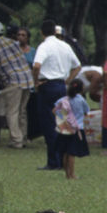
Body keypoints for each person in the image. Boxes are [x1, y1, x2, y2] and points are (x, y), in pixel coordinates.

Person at [31, 19, 80, 171]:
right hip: (61, 86)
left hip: (47, 86)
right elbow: (77, 66)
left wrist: (35, 81)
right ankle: (63, 160)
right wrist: (67, 81)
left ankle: (54, 161)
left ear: (41, 32)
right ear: (55, 31)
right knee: (62, 124)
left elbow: (37, 65)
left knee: (48, 125)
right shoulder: (65, 46)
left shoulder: (44, 46)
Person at [0, 22, 31, 149]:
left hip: (13, 81)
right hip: (27, 79)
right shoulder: (13, 43)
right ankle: (23, 138)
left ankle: (16, 141)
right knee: (22, 111)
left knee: (11, 112)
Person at [59, 78, 89, 179]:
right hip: (77, 128)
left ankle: (67, 174)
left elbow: (56, 109)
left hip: (65, 127)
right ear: (81, 89)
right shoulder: (81, 100)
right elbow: (86, 111)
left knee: (65, 152)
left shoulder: (64, 99)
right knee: (72, 153)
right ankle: (72, 174)